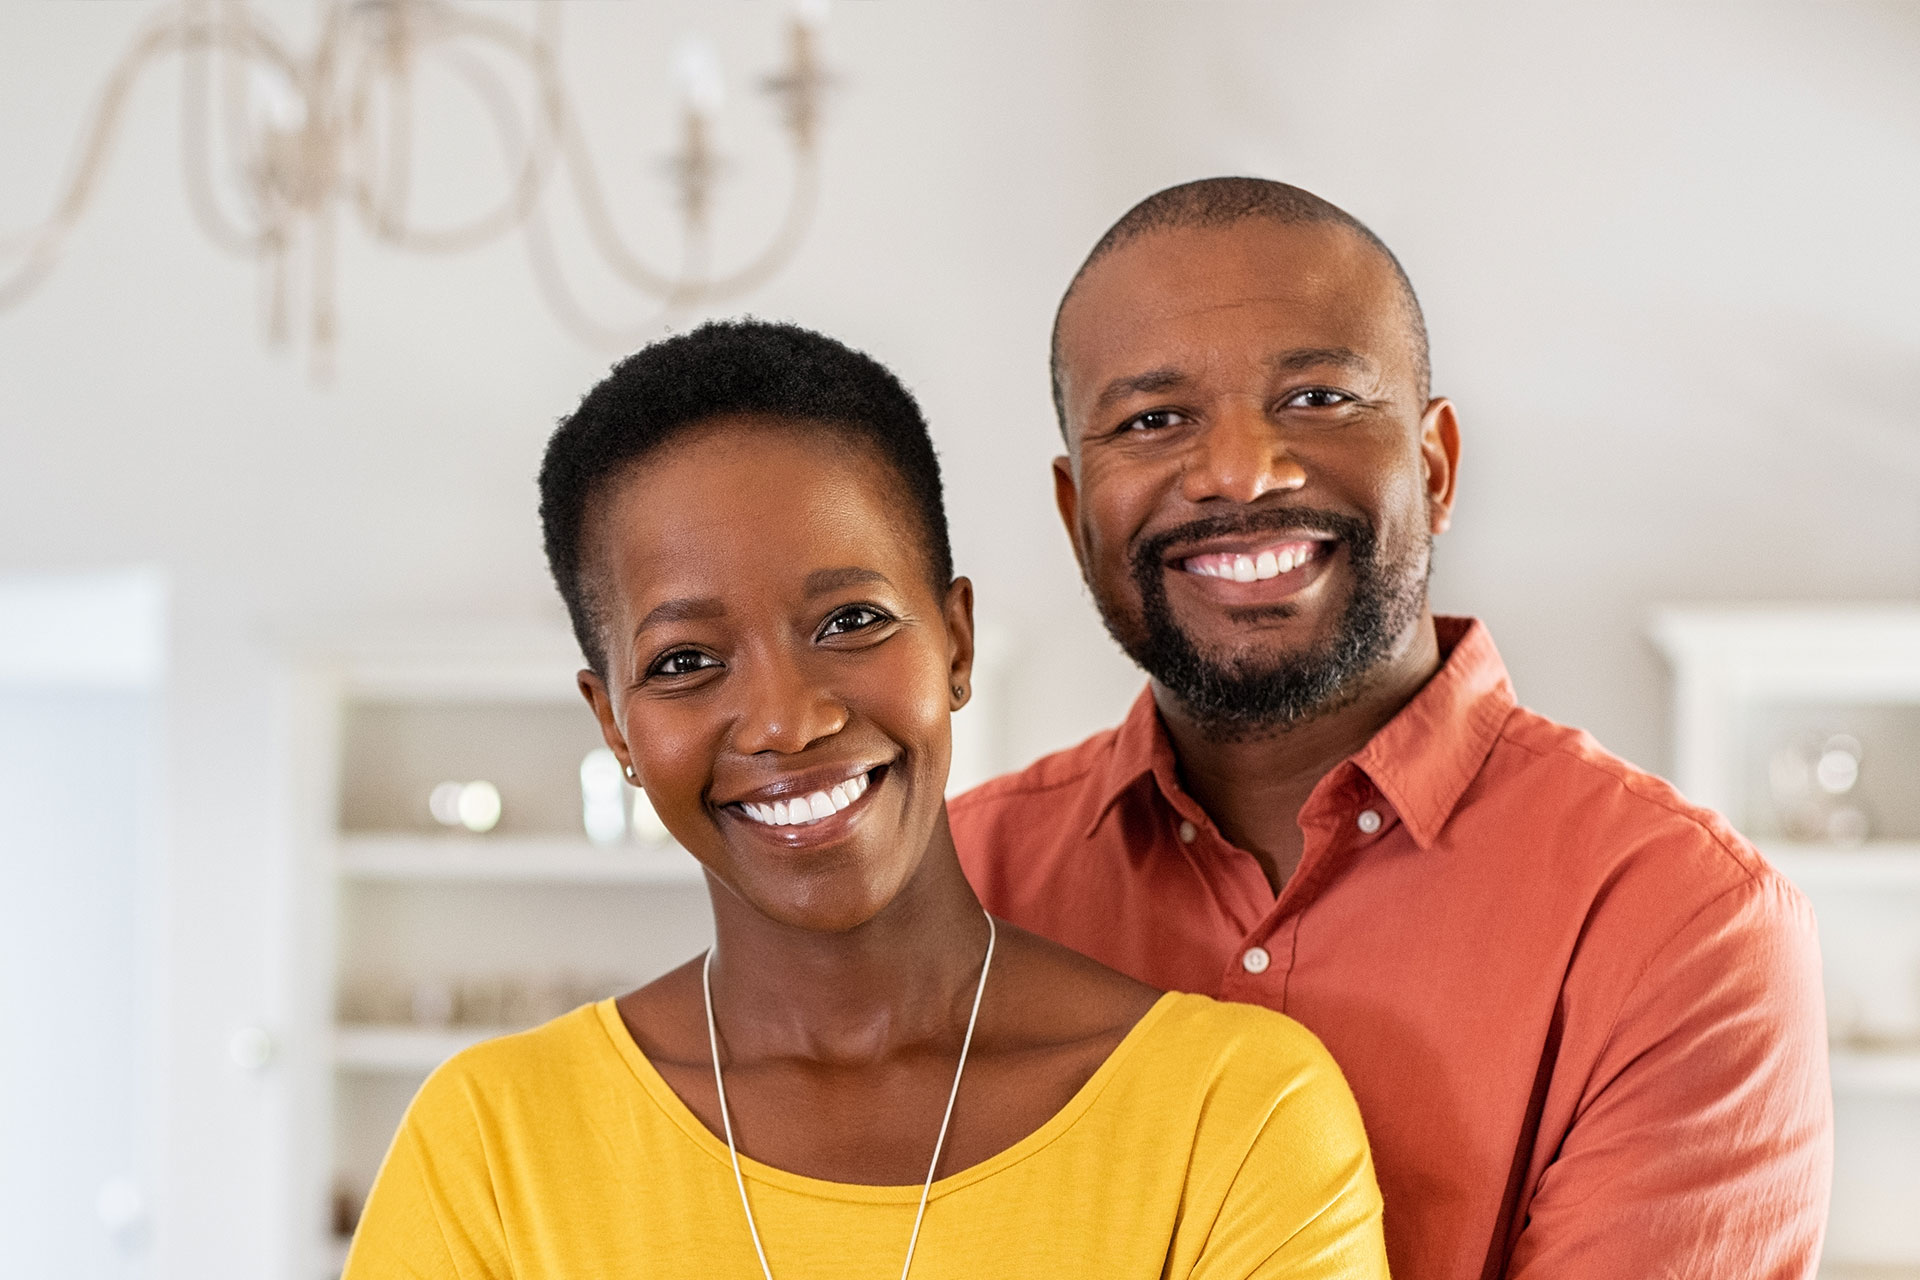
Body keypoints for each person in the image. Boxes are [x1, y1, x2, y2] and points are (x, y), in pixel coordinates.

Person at [343, 320, 1389, 1279]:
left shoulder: (1234, 1115)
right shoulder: (493, 1144)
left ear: (957, 643)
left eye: (850, 621)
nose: (785, 721)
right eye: (687, 659)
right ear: (614, 723)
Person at [951, 178, 1833, 1280]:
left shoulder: (1684, 926)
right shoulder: (949, 891)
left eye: (1316, 397)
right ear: (1076, 513)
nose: (1238, 471)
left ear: (1435, 464)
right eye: (1153, 419)